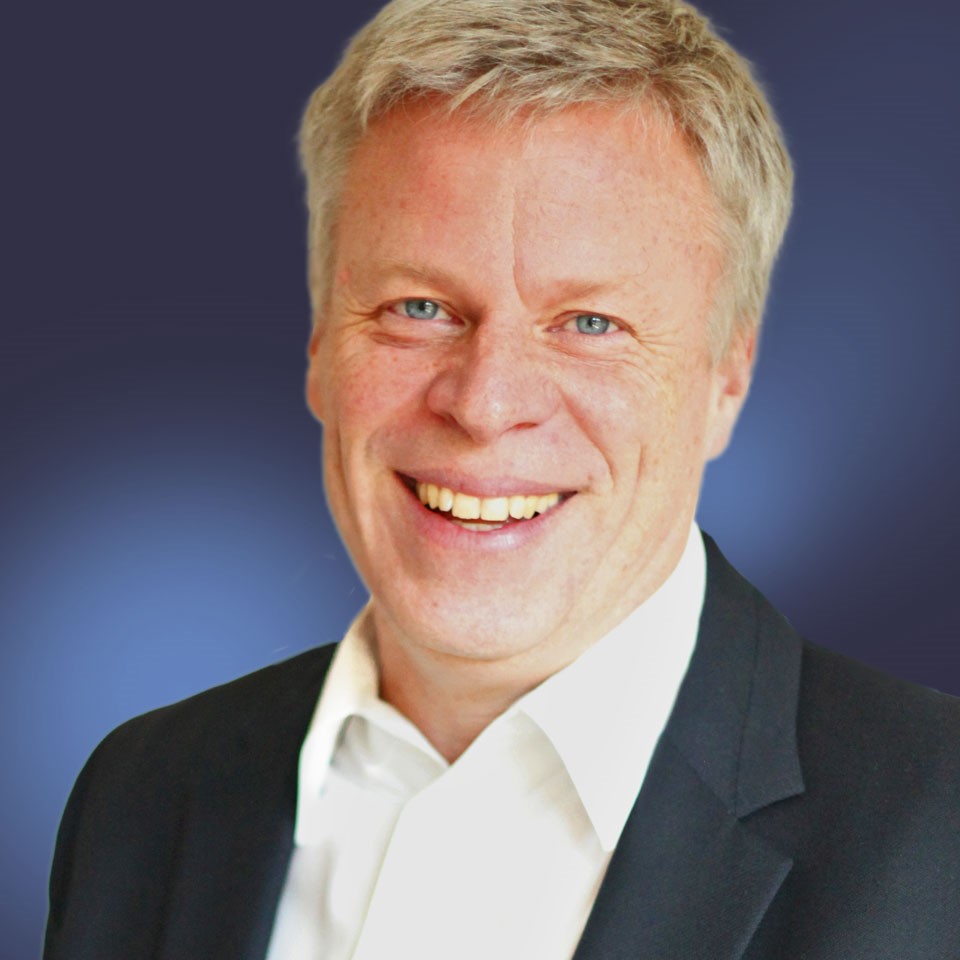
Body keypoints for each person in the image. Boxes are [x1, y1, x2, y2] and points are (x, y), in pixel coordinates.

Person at [43, 0, 960, 957]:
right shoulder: (143, 795)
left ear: (727, 377)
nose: (485, 403)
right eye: (420, 307)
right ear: (318, 343)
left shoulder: (942, 830)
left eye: (590, 323)